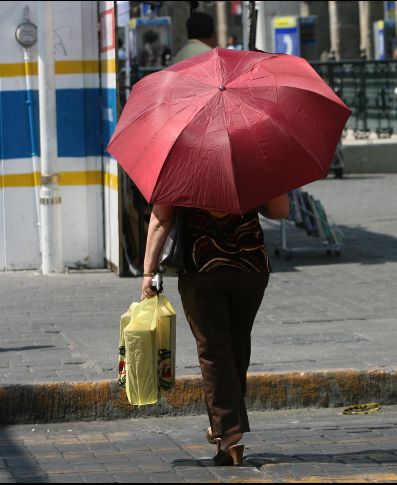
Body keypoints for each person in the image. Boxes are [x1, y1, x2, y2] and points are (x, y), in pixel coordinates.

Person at [140, 12, 290, 467]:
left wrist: (147, 273)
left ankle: (229, 437)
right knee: (236, 346)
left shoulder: (179, 146)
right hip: (250, 266)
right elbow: (279, 211)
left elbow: (161, 221)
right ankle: (227, 425)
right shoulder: (252, 142)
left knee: (214, 352)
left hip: (202, 268)